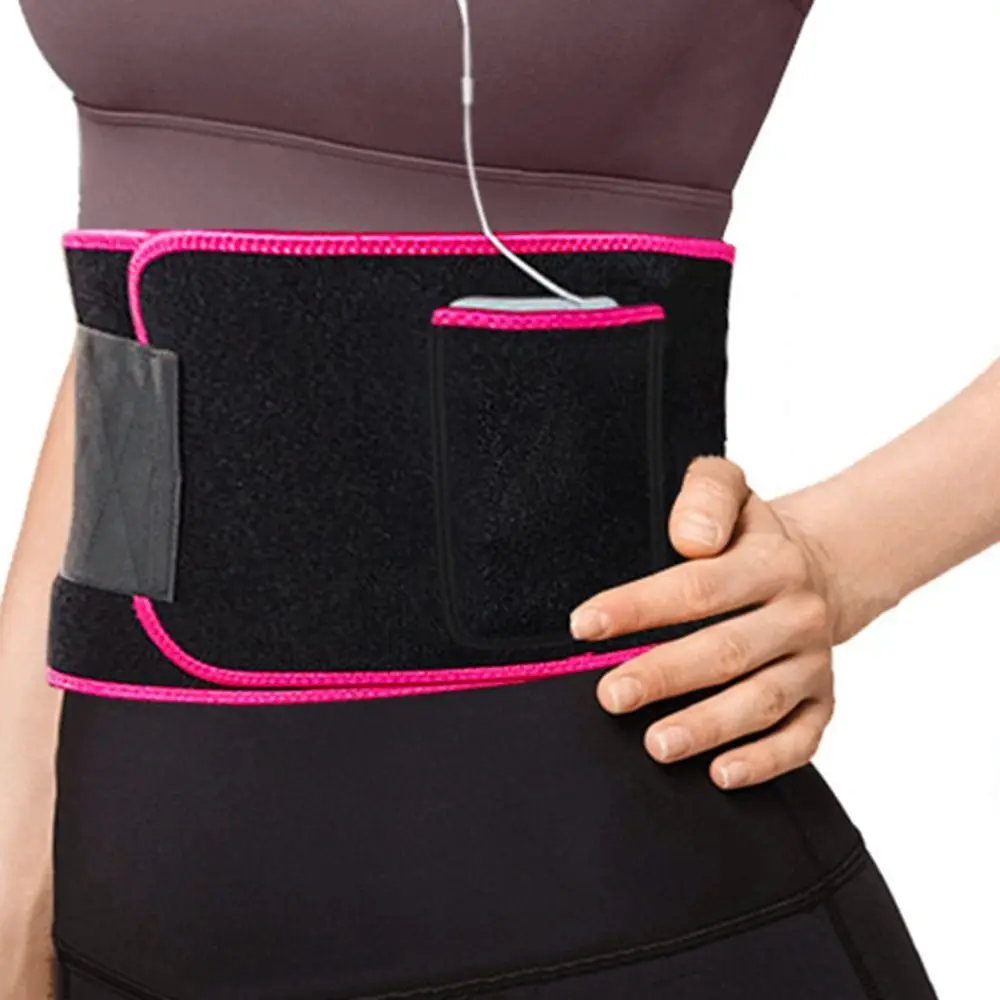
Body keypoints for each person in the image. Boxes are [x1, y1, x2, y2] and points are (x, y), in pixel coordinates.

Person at [2, 2, 994, 998]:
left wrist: (840, 554)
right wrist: (14, 859)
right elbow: (139, 365)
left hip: (619, 906)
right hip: (125, 895)